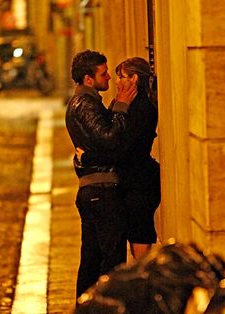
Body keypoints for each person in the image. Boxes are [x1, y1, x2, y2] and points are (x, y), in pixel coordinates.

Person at [65, 49, 137, 299]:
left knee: (93, 261)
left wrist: (86, 157)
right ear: (88, 79)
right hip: (101, 193)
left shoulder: (87, 102)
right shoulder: (85, 104)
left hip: (94, 192)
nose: (108, 78)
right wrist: (122, 106)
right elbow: (110, 139)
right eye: (103, 74)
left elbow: (97, 146)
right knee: (111, 260)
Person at [78, 57, 161, 261]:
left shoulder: (141, 108)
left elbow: (121, 148)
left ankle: (142, 283)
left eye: (121, 77)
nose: (116, 81)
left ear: (134, 79)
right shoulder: (129, 104)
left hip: (139, 182)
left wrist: (88, 157)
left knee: (139, 234)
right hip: (130, 179)